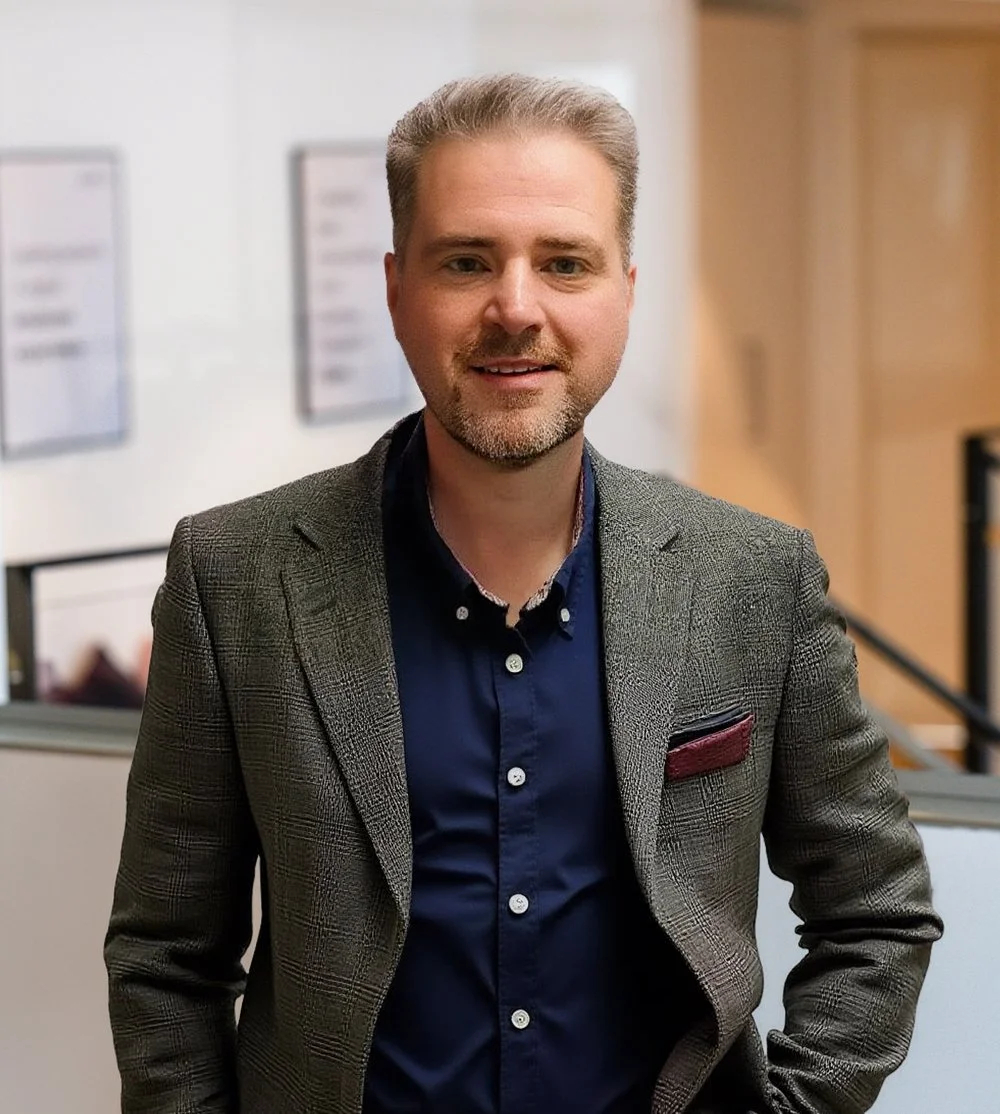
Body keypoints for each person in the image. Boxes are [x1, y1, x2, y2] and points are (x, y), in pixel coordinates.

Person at [104, 74, 943, 1114]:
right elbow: (165, 954)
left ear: (624, 289)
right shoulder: (232, 579)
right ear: (396, 286)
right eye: (466, 261)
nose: (515, 306)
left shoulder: (753, 579)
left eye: (563, 262)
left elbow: (876, 909)